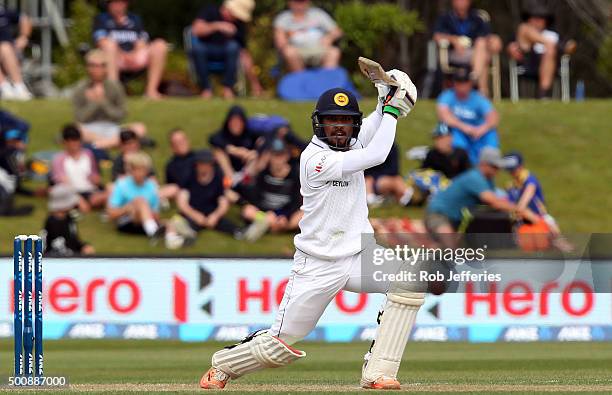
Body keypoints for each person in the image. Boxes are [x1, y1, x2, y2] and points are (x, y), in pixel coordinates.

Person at [200, 74, 421, 390]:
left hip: (359, 255)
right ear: (319, 124)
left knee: (410, 280)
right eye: (332, 121)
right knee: (279, 344)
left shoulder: (352, 142)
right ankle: (223, 366)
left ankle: (379, 372)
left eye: (346, 121)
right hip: (317, 264)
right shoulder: (314, 159)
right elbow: (378, 153)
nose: (340, 128)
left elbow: (375, 125)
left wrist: (387, 98)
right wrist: (394, 110)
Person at [425, 147, 539, 246]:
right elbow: (494, 202)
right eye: (494, 167)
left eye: (498, 167)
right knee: (450, 249)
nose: (497, 170)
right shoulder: (475, 178)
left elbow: (498, 201)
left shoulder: (487, 180)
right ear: (484, 164)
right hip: (438, 215)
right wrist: (521, 210)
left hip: (454, 219)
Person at [166, 150, 242, 249]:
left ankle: (240, 233)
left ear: (211, 164)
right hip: (193, 213)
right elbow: (182, 202)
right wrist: (195, 215)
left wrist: (215, 216)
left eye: (206, 164)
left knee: (230, 226)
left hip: (212, 212)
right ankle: (180, 237)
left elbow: (223, 201)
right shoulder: (188, 175)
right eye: (201, 164)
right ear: (196, 164)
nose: (204, 167)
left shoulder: (218, 176)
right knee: (175, 222)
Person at [73, 49, 147, 149]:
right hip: (89, 128)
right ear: (88, 67)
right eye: (93, 65)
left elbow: (121, 115)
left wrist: (103, 101)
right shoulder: (80, 88)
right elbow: (80, 118)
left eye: (101, 65)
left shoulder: (115, 87)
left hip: (112, 128)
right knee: (76, 129)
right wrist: (94, 103)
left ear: (106, 67)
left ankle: (97, 145)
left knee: (139, 128)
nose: (97, 69)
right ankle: (113, 143)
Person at [93, 0, 168, 99]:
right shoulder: (101, 19)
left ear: (126, 4)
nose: (118, 6)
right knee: (109, 45)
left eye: (121, 2)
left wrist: (134, 54)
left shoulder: (135, 19)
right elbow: (101, 41)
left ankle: (151, 92)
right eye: (114, 3)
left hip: (134, 57)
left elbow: (141, 41)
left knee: (160, 44)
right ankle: (114, 92)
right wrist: (123, 54)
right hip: (114, 58)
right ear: (109, 5)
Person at [190, 0, 262, 99]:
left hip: (227, 55)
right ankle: (206, 89)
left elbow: (244, 54)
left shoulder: (239, 25)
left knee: (233, 46)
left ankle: (228, 89)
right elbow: (195, 30)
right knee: (198, 48)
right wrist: (217, 26)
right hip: (205, 51)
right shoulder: (210, 11)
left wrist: (255, 83)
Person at [237, 139, 302, 241]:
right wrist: (268, 214)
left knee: (303, 215)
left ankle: (274, 226)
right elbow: (256, 197)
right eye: (275, 156)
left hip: (285, 213)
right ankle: (274, 225)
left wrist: (286, 216)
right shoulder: (264, 172)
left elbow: (296, 201)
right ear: (270, 157)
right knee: (247, 211)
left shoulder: (294, 174)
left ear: (287, 156)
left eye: (281, 156)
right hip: (265, 212)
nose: (278, 160)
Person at [433, 0, 501, 97]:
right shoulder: (446, 17)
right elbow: (437, 36)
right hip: (455, 53)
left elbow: (487, 37)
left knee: (482, 45)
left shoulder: (477, 18)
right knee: (484, 58)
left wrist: (494, 40)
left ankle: (475, 77)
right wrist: (453, 39)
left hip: (475, 53)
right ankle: (481, 91)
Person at [506, 4, 576, 99]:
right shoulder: (522, 31)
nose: (537, 21)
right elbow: (510, 47)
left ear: (546, 21)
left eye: (540, 18)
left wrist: (571, 46)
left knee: (550, 50)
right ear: (529, 19)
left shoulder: (553, 35)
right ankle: (550, 44)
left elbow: (570, 47)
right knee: (524, 29)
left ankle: (543, 94)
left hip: (550, 63)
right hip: (528, 61)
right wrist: (511, 49)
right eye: (534, 17)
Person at [437, 67, 499, 164]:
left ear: (470, 83)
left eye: (464, 82)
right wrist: (465, 128)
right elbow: (444, 115)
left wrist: (481, 129)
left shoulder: (478, 98)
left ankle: (489, 164)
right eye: (459, 82)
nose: (462, 86)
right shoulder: (447, 96)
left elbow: (493, 117)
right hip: (459, 131)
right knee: (452, 134)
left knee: (491, 134)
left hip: (479, 132)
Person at [107, 151, 163, 240]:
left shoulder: (152, 186)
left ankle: (171, 238)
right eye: (136, 169)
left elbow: (156, 214)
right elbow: (111, 214)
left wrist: (145, 211)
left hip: (146, 220)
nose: (139, 173)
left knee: (168, 224)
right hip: (126, 221)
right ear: (131, 170)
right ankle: (153, 231)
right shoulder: (122, 184)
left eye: (142, 169)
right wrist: (127, 208)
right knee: (139, 201)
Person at [274, 0, 342, 72]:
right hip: (297, 51)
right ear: (289, 2)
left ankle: (327, 80)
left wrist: (329, 38)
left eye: (302, 2)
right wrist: (285, 45)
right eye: (296, 2)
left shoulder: (318, 14)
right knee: (289, 52)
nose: (299, 5)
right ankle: (300, 80)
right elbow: (280, 40)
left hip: (319, 48)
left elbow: (337, 31)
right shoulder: (283, 19)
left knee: (334, 52)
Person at [51, 125, 108, 211]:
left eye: (77, 140)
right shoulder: (59, 158)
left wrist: (95, 179)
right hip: (71, 192)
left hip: (89, 190)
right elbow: (61, 181)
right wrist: (77, 197)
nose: (75, 144)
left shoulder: (88, 154)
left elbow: (94, 173)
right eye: (71, 141)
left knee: (108, 193)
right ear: (65, 143)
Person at [504, 151, 559, 233]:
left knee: (559, 242)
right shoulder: (510, 186)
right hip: (522, 223)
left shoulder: (530, 180)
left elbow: (522, 205)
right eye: (510, 170)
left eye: (514, 169)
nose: (512, 172)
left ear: (521, 165)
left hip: (540, 219)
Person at [209, 105, 258, 182]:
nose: (236, 124)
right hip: (229, 173)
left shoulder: (250, 133)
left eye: (239, 121)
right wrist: (234, 150)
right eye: (233, 121)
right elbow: (212, 139)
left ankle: (245, 181)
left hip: (247, 170)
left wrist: (252, 153)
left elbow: (265, 140)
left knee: (258, 154)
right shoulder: (223, 134)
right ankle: (233, 180)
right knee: (218, 152)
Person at [43, 184, 95, 256]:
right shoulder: (53, 223)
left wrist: (83, 246)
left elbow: (73, 239)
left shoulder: (68, 217)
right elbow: (56, 248)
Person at [0, 6, 33, 100]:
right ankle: (6, 88)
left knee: (5, 47)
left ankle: (17, 87)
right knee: (4, 48)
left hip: (11, 52)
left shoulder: (4, 13)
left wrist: (24, 37)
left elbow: (24, 19)